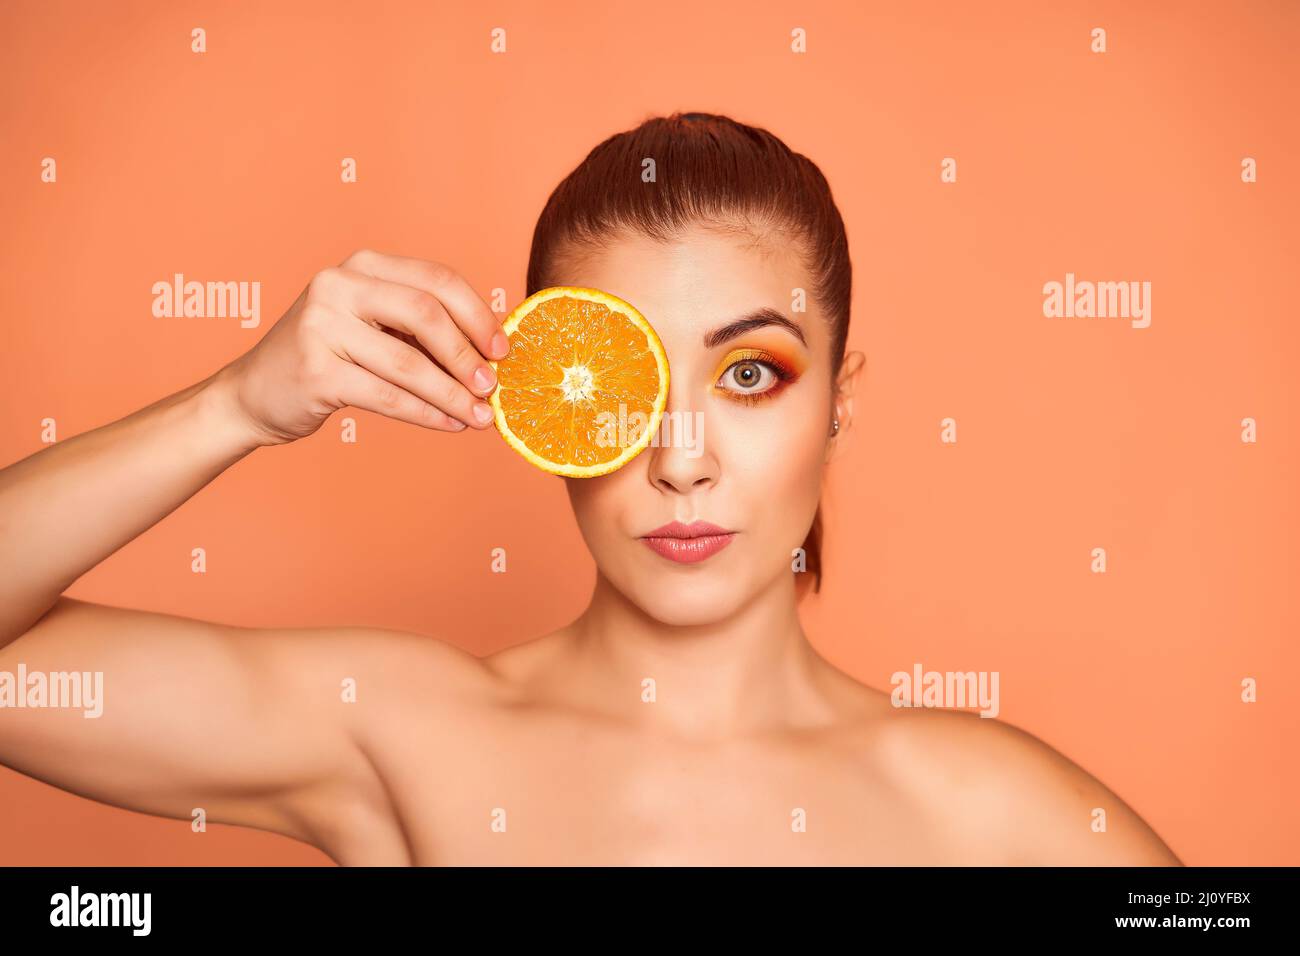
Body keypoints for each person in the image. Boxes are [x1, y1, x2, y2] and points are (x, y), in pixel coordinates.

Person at [0, 112, 1180, 865]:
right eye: (614, 384)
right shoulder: (402, 736)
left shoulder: (993, 814)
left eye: (750, 373)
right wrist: (236, 405)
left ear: (840, 400)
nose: (680, 455)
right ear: (539, 409)